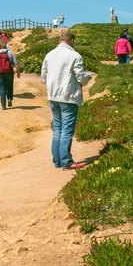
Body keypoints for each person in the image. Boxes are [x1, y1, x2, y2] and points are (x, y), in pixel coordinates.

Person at [40, 31, 92, 170]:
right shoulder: (74, 55)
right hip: (68, 97)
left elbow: (43, 76)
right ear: (71, 41)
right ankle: (66, 162)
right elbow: (81, 78)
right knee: (67, 130)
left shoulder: (49, 54)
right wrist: (88, 77)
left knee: (57, 128)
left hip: (53, 96)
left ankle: (57, 161)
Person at [0, 43, 21, 109]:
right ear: (5, 46)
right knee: (10, 86)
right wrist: (18, 72)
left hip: (0, 72)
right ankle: (9, 99)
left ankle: (3, 105)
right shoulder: (10, 53)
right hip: (9, 72)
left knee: (2, 88)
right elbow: (15, 62)